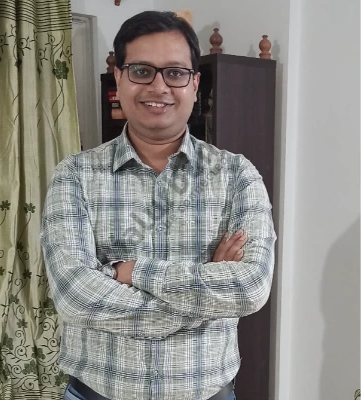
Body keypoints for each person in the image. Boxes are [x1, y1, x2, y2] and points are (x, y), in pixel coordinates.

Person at [40, 10, 276, 400]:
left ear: (195, 84)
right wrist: (205, 294)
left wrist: (132, 272)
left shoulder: (237, 175)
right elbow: (74, 294)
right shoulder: (75, 175)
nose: (159, 86)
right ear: (119, 77)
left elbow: (250, 288)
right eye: (142, 71)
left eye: (175, 73)